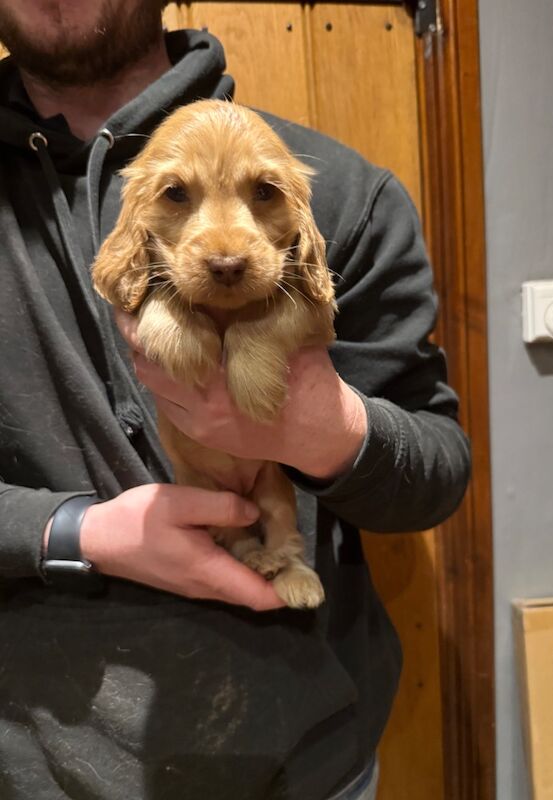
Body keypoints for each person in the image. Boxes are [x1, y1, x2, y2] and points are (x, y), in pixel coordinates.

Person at [0, 2, 471, 799]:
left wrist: (331, 430)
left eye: (262, 196)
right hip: (31, 762)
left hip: (310, 764)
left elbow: (440, 470)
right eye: (177, 196)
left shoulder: (344, 190)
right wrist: (72, 532)